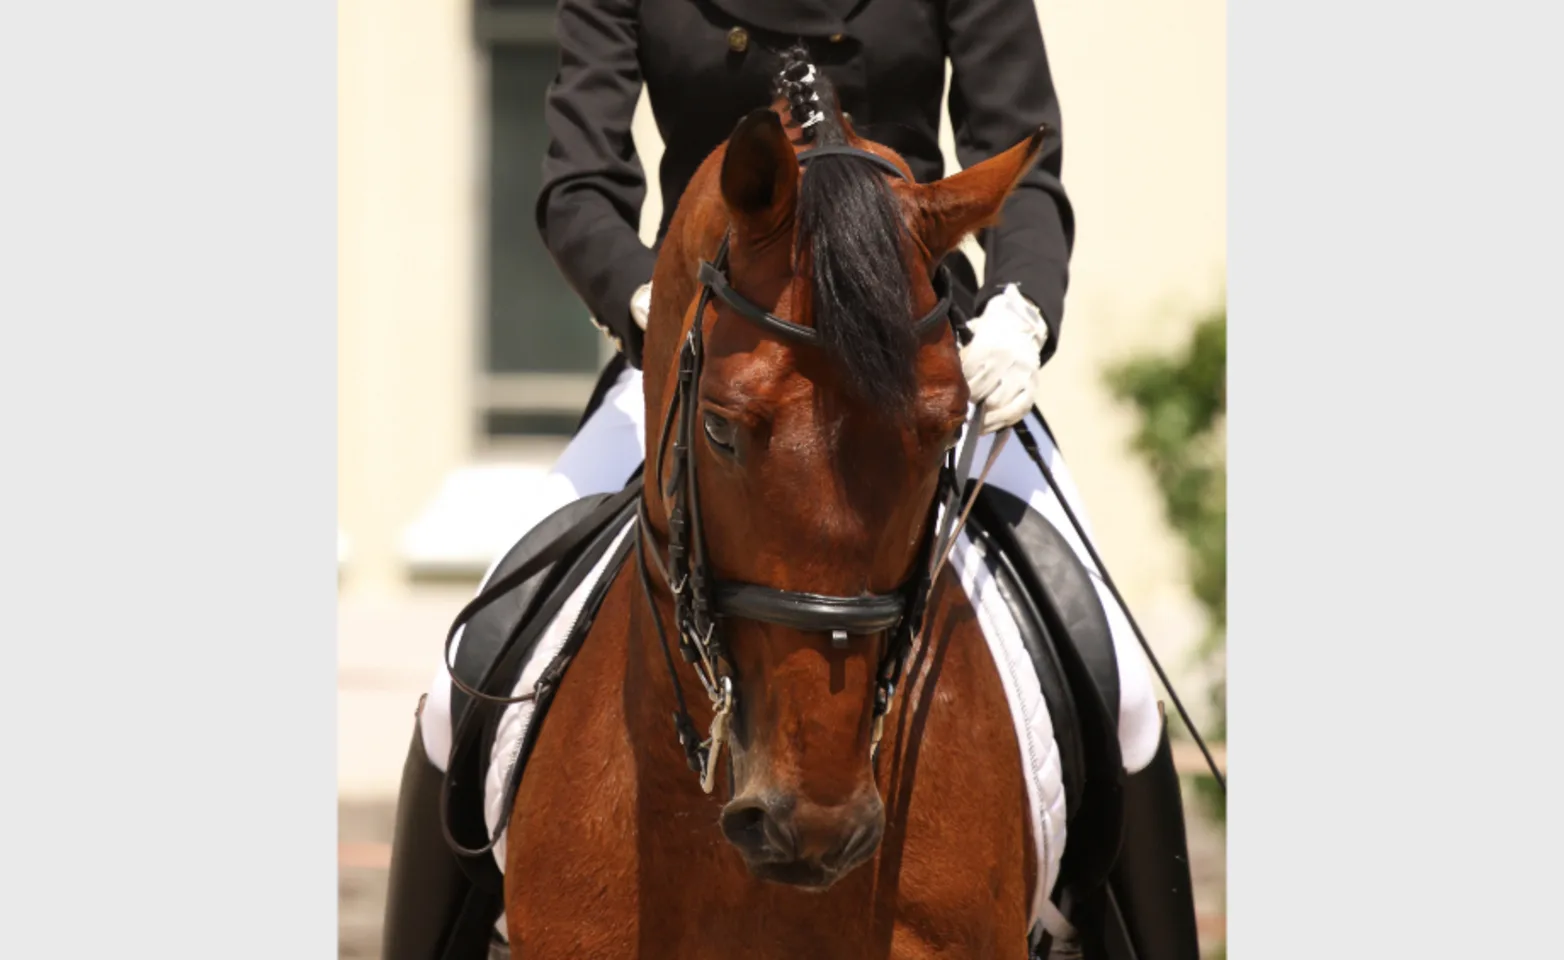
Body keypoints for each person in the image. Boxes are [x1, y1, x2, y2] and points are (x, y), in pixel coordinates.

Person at [383, 2, 1202, 958]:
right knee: (464, 684)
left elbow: (1022, 164)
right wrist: (651, 299)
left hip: (907, 369)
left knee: (1123, 688)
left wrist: (1020, 312)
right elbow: (580, 186)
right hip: (712, 356)